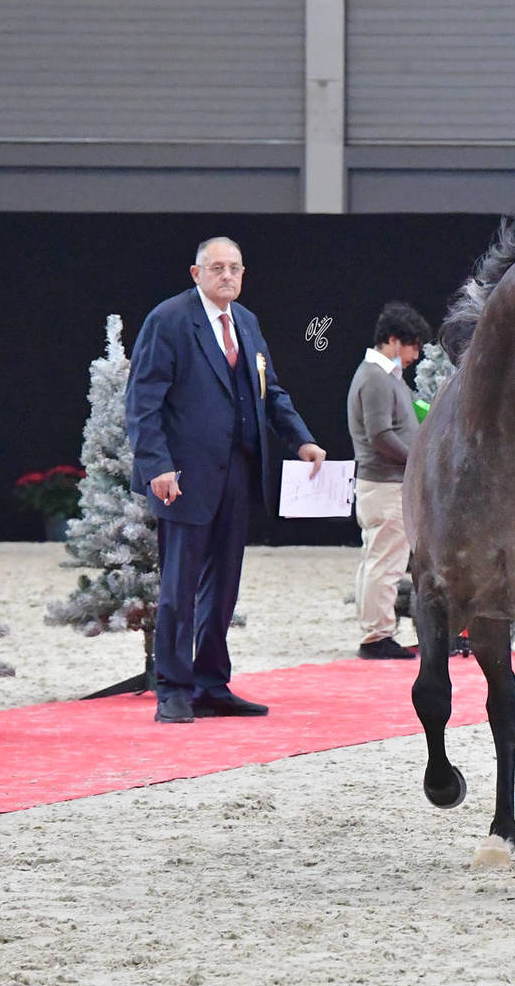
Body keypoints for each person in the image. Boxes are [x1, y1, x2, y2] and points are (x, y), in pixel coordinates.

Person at [126, 237, 326, 724]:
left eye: (235, 268)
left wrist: (301, 440)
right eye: (217, 268)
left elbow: (269, 391)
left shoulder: (248, 323)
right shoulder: (169, 320)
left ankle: (211, 684)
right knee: (179, 587)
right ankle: (173, 688)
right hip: (184, 475)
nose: (228, 276)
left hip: (238, 473)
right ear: (196, 274)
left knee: (224, 587)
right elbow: (143, 400)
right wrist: (157, 466)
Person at [347, 302, 432, 659]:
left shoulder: (385, 376)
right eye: (414, 346)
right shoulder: (376, 378)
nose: (417, 355)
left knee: (377, 560)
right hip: (385, 486)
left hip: (383, 484)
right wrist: (419, 461)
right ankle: (376, 637)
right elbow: (380, 435)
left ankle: (375, 630)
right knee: (386, 563)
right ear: (395, 341)